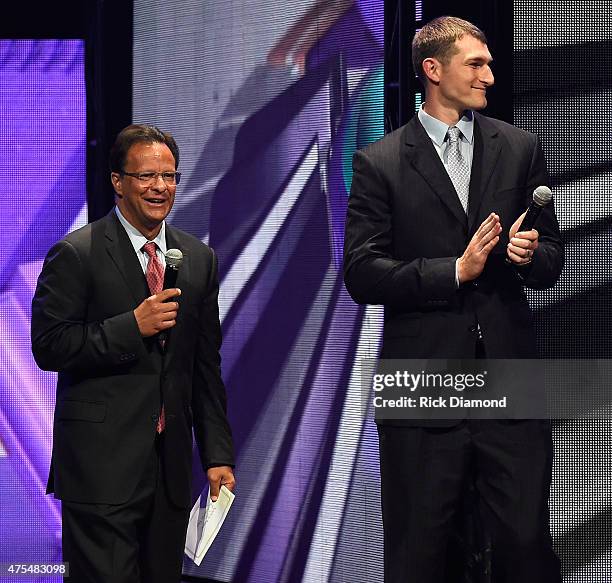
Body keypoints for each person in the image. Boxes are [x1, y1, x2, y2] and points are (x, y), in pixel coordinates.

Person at [343, 16, 563, 583]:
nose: (490, 74)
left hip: (509, 381)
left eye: (489, 62)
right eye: (477, 63)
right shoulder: (381, 163)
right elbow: (362, 272)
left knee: (525, 546)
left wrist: (527, 255)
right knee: (421, 553)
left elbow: (551, 259)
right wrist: (453, 271)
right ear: (433, 71)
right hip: (422, 383)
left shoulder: (519, 147)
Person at [31, 125, 235, 582]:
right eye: (146, 176)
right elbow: (49, 346)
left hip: (170, 472)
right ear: (118, 182)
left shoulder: (197, 258)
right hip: (100, 470)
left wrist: (217, 453)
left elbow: (205, 366)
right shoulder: (77, 254)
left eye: (169, 176)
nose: (160, 187)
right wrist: (130, 327)